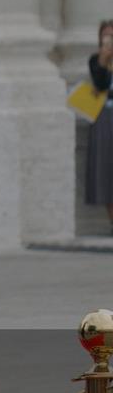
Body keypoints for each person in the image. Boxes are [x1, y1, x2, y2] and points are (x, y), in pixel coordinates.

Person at [87, 20, 113, 234]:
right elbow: (100, 84)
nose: (109, 40)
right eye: (105, 35)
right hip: (105, 117)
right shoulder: (96, 60)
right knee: (106, 169)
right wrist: (104, 60)